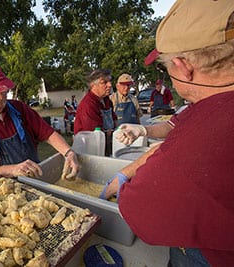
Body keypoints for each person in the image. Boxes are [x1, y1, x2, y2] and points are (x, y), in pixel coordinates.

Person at [100, 0, 234, 265]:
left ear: (183, 66)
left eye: (165, 67)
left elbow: (144, 213)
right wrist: (126, 170)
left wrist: (124, 188)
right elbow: (170, 139)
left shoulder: (208, 134)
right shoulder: (206, 111)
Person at [0, 63, 79, 180]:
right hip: (4, 191)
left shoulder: (19, 109)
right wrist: (12, 169)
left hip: (35, 178)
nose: (0, 97)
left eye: (3, 91)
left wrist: (68, 153)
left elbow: (48, 133)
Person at [74, 69, 117, 156]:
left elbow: (114, 119)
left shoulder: (106, 100)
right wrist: (110, 132)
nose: (109, 85)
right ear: (93, 85)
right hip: (91, 150)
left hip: (106, 145)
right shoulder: (88, 105)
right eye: (104, 82)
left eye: (109, 81)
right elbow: (94, 135)